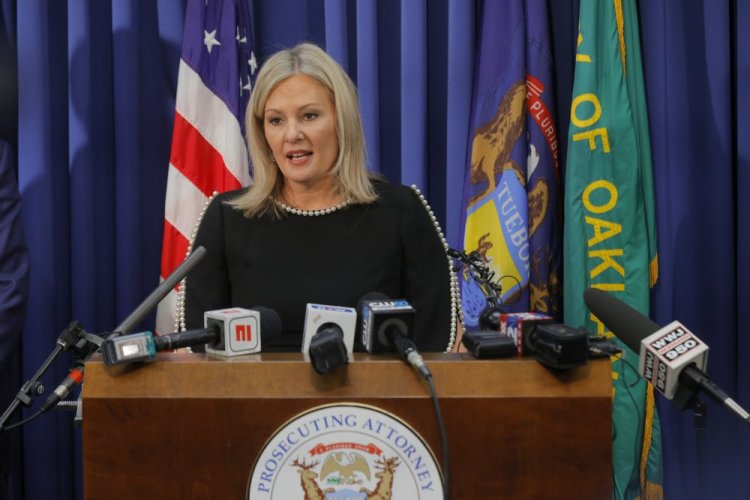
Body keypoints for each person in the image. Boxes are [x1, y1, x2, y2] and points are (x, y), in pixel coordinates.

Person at [183, 43, 457, 352]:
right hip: (254, 398)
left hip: (372, 401)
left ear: (342, 122)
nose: (292, 134)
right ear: (261, 133)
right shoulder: (227, 217)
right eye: (276, 120)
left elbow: (437, 345)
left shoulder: (401, 212)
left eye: (309, 116)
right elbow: (197, 349)